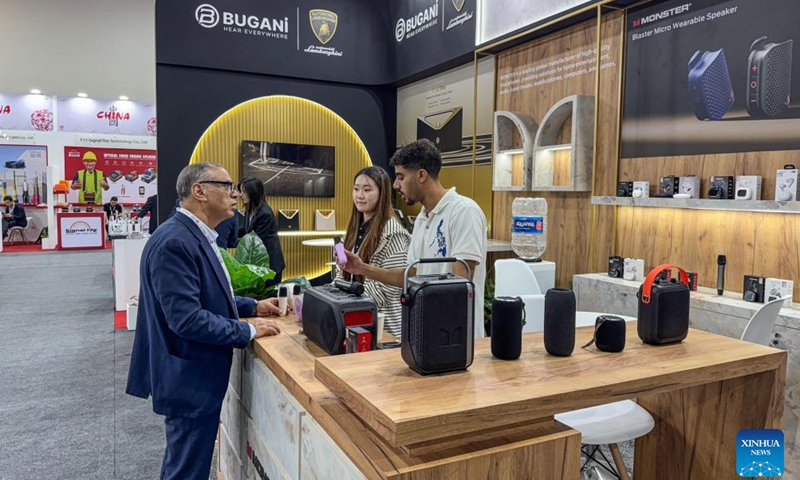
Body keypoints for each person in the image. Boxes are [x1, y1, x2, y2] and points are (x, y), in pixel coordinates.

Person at [126, 163, 283, 480]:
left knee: (187, 463)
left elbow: (206, 295)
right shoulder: (175, 242)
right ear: (199, 190)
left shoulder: (192, 235)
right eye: (226, 186)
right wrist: (248, 330)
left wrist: (252, 305)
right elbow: (187, 319)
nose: (234, 193)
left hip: (192, 376)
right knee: (186, 470)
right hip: (187, 379)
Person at [340, 139, 488, 339]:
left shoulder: (464, 211)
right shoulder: (422, 219)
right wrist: (362, 269)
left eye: (400, 177)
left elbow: (459, 285)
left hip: (456, 335)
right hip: (425, 333)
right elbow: (411, 276)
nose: (396, 185)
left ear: (421, 175)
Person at [337, 166, 410, 339]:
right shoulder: (355, 229)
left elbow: (389, 290)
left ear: (382, 194)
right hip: (356, 323)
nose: (359, 195)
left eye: (367, 190)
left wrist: (349, 294)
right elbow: (343, 277)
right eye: (356, 189)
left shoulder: (394, 233)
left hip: (387, 332)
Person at [238, 177, 285, 286]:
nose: (241, 195)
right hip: (260, 264)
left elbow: (255, 241)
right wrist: (230, 235)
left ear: (253, 192)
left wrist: (233, 242)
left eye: (244, 192)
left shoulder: (265, 214)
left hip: (270, 266)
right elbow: (246, 230)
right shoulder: (250, 209)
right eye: (241, 191)